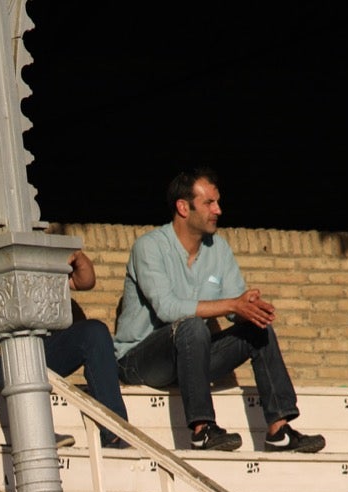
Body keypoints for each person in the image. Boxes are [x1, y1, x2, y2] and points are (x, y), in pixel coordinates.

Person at [112, 170, 325, 454]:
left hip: (190, 360)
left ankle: (279, 431)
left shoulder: (219, 248)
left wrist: (249, 308)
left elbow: (234, 307)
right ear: (183, 207)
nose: (218, 210)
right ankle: (202, 432)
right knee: (191, 326)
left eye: (218, 202)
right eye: (210, 203)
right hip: (140, 360)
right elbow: (168, 309)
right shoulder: (149, 247)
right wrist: (232, 304)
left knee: (257, 329)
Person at [0, 201, 131, 447]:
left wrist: (72, 256)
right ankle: (36, 433)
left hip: (30, 346)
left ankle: (115, 433)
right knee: (4, 335)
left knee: (94, 332)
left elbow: (84, 281)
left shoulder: (26, 242)